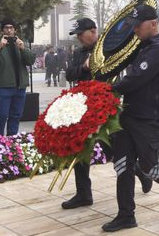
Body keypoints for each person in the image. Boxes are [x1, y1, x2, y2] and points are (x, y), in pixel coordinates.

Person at [102, 3, 159, 232]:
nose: (134, 30)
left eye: (138, 26)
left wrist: (106, 91)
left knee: (149, 167)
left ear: (153, 24)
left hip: (150, 119)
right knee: (122, 164)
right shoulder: (144, 45)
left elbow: (135, 79)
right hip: (131, 114)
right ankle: (126, 215)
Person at [61, 17, 153, 210]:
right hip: (83, 108)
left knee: (113, 151)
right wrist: (83, 67)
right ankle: (83, 194)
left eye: (81, 34)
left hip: (104, 109)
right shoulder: (79, 53)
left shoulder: (109, 49)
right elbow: (70, 73)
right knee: (79, 150)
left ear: (93, 32)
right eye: (77, 35)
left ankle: (140, 173)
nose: (79, 38)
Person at [0, 18, 36, 136]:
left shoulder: (20, 42)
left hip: (20, 87)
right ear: (2, 30)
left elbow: (31, 60)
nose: (9, 30)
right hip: (3, 86)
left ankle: (12, 140)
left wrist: (23, 48)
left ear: (15, 30)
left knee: (16, 115)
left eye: (11, 28)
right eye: (6, 28)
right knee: (2, 115)